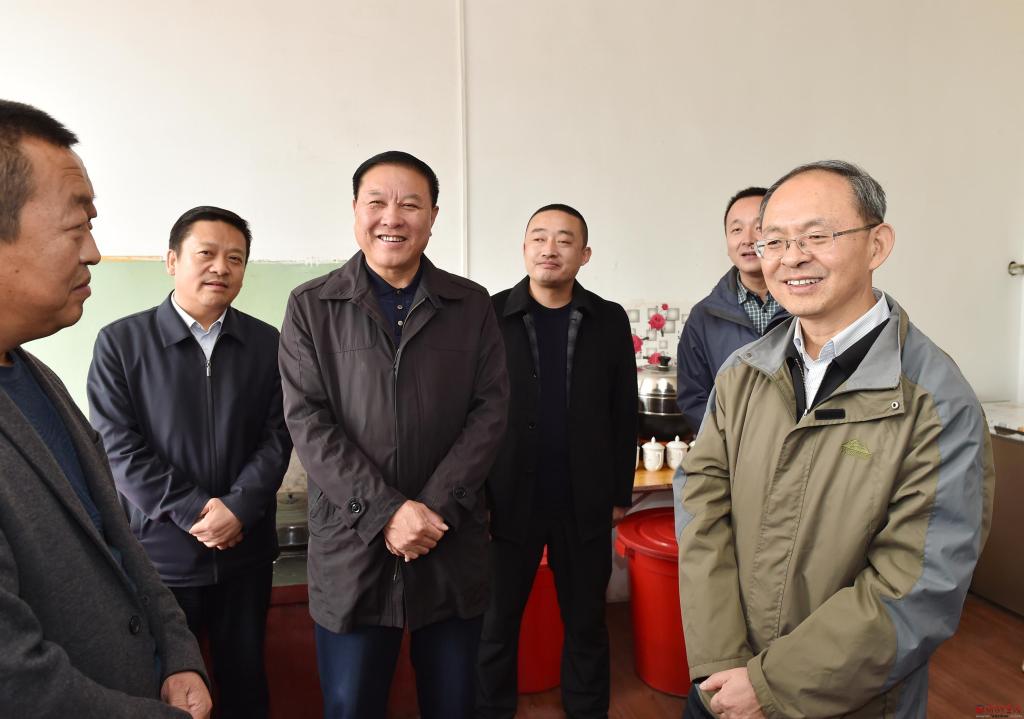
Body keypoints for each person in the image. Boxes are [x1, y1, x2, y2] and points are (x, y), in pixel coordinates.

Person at [677, 160, 994, 719]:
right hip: (722, 685)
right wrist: (722, 661)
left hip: (848, 700)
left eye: (817, 236)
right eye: (775, 241)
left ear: (877, 245)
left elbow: (918, 586)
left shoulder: (935, 401)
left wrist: (770, 686)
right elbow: (701, 506)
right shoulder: (742, 373)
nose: (792, 257)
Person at [279, 150, 509, 719]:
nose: (392, 217)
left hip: (446, 538)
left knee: (454, 703)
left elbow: (490, 412)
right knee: (351, 703)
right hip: (352, 544)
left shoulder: (470, 304)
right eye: (377, 202)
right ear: (355, 211)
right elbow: (308, 420)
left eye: (410, 204)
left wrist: (430, 512)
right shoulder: (311, 306)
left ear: (433, 217)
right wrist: (386, 513)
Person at [0, 100, 211, 718]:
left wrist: (178, 654)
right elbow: (16, 683)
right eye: (76, 226)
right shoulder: (123, 343)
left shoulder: (35, 377)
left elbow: (117, 541)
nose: (93, 252)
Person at [87, 206, 292, 719]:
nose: (221, 267)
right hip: (160, 559)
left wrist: (238, 509)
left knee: (245, 682)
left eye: (235, 259)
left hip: (244, 554)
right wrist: (197, 512)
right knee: (167, 691)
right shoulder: (120, 343)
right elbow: (119, 448)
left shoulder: (268, 343)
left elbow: (279, 436)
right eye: (207, 253)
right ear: (172, 261)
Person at [477, 203, 637, 719]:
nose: (550, 248)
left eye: (565, 240)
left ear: (584, 255)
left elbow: (623, 410)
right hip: (506, 500)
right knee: (495, 623)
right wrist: (475, 497)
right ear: (524, 248)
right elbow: (470, 413)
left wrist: (618, 494)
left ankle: (587, 710)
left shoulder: (608, 319)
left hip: (583, 500)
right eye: (539, 237)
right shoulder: (490, 315)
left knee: (586, 622)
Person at [675, 187, 789, 433]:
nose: (747, 239)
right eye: (736, 230)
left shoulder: (808, 307)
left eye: (759, 227)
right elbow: (693, 397)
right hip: (730, 449)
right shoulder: (703, 317)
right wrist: (727, 440)